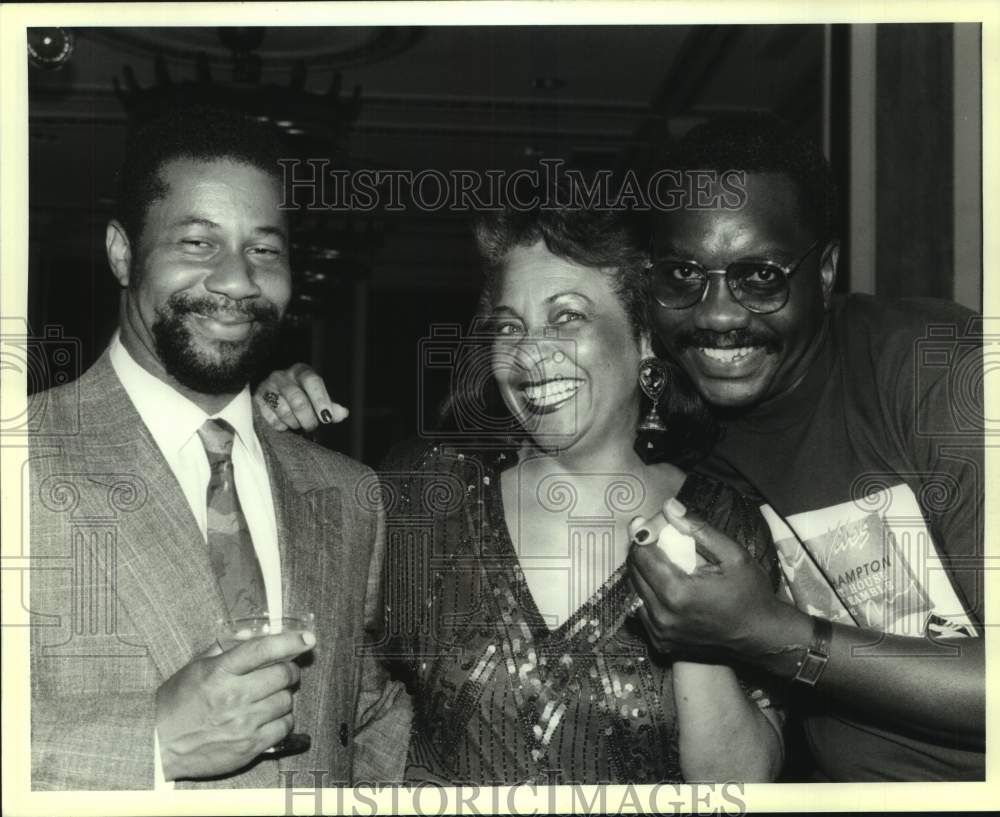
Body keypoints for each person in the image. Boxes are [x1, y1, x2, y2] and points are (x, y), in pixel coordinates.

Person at [257, 199, 785, 783]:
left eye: (567, 318)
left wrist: (697, 635)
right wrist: (262, 444)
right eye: (509, 326)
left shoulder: (723, 525)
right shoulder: (429, 491)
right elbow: (308, 645)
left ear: (646, 341)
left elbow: (740, 787)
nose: (530, 354)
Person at [28, 106, 411, 790]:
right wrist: (151, 742)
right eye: (198, 243)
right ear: (123, 253)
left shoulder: (351, 494)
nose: (238, 280)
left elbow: (366, 712)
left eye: (264, 249)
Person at [627, 113, 984, 781]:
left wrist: (768, 630)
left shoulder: (941, 373)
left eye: (759, 276)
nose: (718, 315)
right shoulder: (678, 432)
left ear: (823, 271)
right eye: (682, 275)